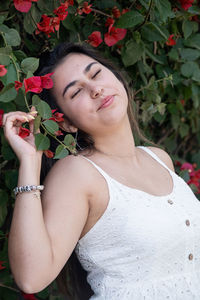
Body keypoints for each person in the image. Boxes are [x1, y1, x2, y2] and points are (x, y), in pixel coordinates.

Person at [3, 43, 200, 300]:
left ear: (115, 76)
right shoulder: (77, 173)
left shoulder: (158, 158)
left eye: (96, 74)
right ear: (67, 122)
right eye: (76, 92)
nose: (96, 89)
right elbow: (31, 278)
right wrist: (30, 162)